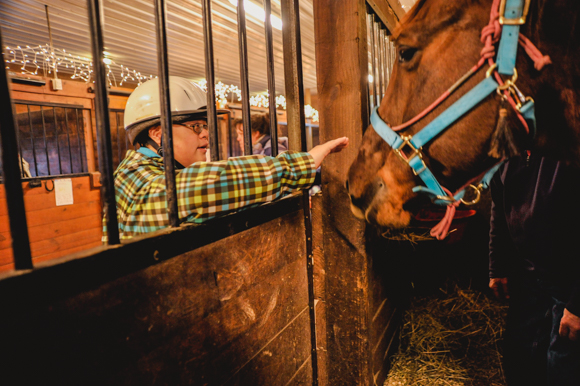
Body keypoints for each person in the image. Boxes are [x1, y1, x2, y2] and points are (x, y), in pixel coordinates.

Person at [103, 76, 348, 241]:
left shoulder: (150, 169)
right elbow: (202, 187)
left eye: (206, 125)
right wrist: (302, 163)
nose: (206, 133)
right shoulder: (136, 180)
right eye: (196, 126)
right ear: (158, 134)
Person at [489, 153, 580, 386]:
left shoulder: (569, 149)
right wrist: (497, 266)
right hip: (528, 277)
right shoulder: (509, 152)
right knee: (518, 357)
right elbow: (499, 206)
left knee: (562, 365)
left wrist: (577, 305)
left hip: (569, 283)